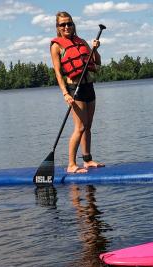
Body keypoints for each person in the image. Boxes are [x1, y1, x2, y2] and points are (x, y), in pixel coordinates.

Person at [50, 11, 104, 174]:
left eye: (69, 23)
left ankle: (87, 160)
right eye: (63, 24)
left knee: (88, 126)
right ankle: (71, 164)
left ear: (73, 25)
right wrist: (65, 94)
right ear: (58, 27)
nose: (66, 27)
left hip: (88, 86)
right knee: (79, 127)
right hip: (75, 89)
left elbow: (97, 62)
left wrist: (95, 49)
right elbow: (58, 73)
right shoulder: (56, 46)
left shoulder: (82, 42)